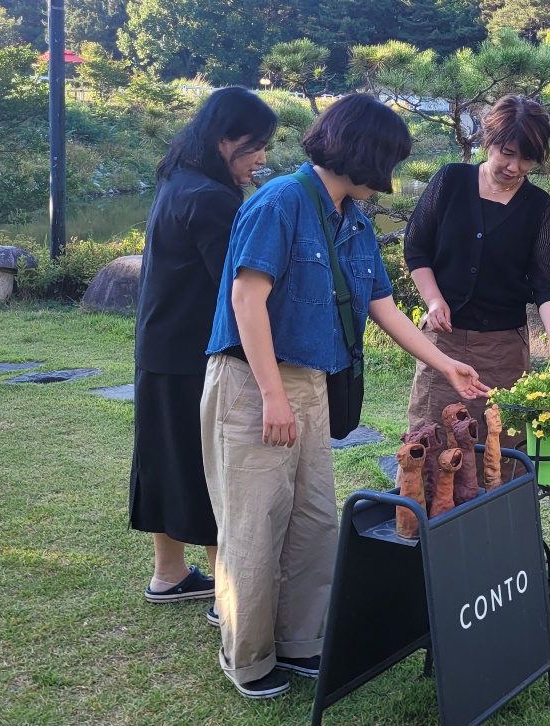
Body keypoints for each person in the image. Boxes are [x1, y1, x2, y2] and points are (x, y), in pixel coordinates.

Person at [201, 94, 488, 699]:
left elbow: (384, 307)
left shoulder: (353, 218)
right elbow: (246, 301)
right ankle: (248, 658)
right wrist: (273, 396)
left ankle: (300, 641)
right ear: (364, 153)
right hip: (253, 382)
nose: (390, 176)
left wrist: (447, 364)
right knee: (254, 523)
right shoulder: (280, 201)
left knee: (312, 519)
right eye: (389, 160)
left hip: (311, 384)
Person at [129, 87, 276, 609]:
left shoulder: (178, 179)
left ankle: (169, 574)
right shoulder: (212, 197)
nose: (262, 158)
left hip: (159, 343)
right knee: (207, 466)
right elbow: (237, 291)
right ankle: (226, 595)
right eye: (255, 146)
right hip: (195, 352)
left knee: (162, 458)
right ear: (223, 140)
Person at [403, 95, 550, 450]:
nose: (514, 166)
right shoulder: (450, 180)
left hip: (503, 350)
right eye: (507, 153)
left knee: (500, 449)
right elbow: (416, 247)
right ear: (489, 139)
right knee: (431, 445)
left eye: (526, 158)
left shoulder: (539, 207)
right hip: (443, 343)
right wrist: (433, 300)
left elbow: (545, 286)